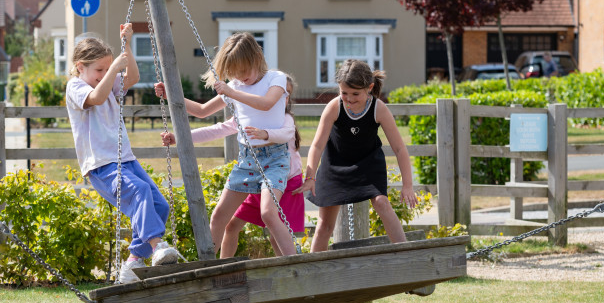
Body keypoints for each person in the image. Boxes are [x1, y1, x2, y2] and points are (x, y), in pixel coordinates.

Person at [155, 32, 296, 258]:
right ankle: (207, 266)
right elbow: (202, 112)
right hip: (247, 159)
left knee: (269, 213)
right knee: (219, 215)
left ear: (257, 58)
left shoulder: (275, 79)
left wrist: (232, 91)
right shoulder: (237, 85)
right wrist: (171, 95)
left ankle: (293, 263)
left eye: (243, 71)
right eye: (234, 74)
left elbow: (267, 104)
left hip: (274, 159)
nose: (240, 78)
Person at [65, 23, 179, 283]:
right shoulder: (76, 87)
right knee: (138, 192)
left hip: (125, 159)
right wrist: (113, 69)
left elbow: (133, 78)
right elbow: (95, 97)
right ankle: (157, 246)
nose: (104, 74)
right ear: (80, 67)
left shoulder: (106, 81)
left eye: (106, 68)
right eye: (99, 70)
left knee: (159, 204)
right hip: (101, 164)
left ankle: (133, 262)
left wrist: (126, 45)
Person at [296, 59, 417, 252]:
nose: (349, 99)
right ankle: (313, 271)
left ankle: (405, 255)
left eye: (355, 94)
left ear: (369, 88)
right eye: (344, 93)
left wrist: (408, 185)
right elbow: (317, 146)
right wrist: (310, 177)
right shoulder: (334, 107)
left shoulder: (379, 109)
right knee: (324, 225)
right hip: (335, 164)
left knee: (381, 202)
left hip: (368, 163)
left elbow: (400, 149)